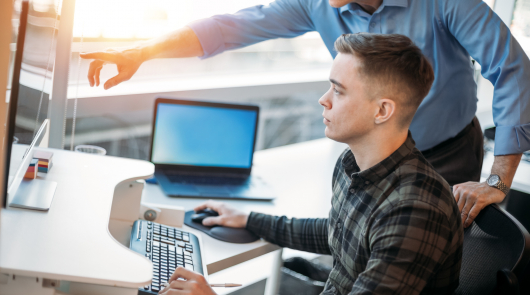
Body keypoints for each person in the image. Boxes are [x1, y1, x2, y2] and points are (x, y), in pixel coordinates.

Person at [80, 0, 530, 228]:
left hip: (445, 154)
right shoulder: (317, 3)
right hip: (371, 154)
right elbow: (231, 27)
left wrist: (497, 180)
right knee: (352, 242)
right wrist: (143, 52)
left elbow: (513, 71)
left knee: (414, 265)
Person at [157, 33, 463, 295]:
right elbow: (337, 233)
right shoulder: (352, 164)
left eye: (338, 90)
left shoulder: (414, 210)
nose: (323, 100)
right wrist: (250, 219)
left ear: (382, 110)